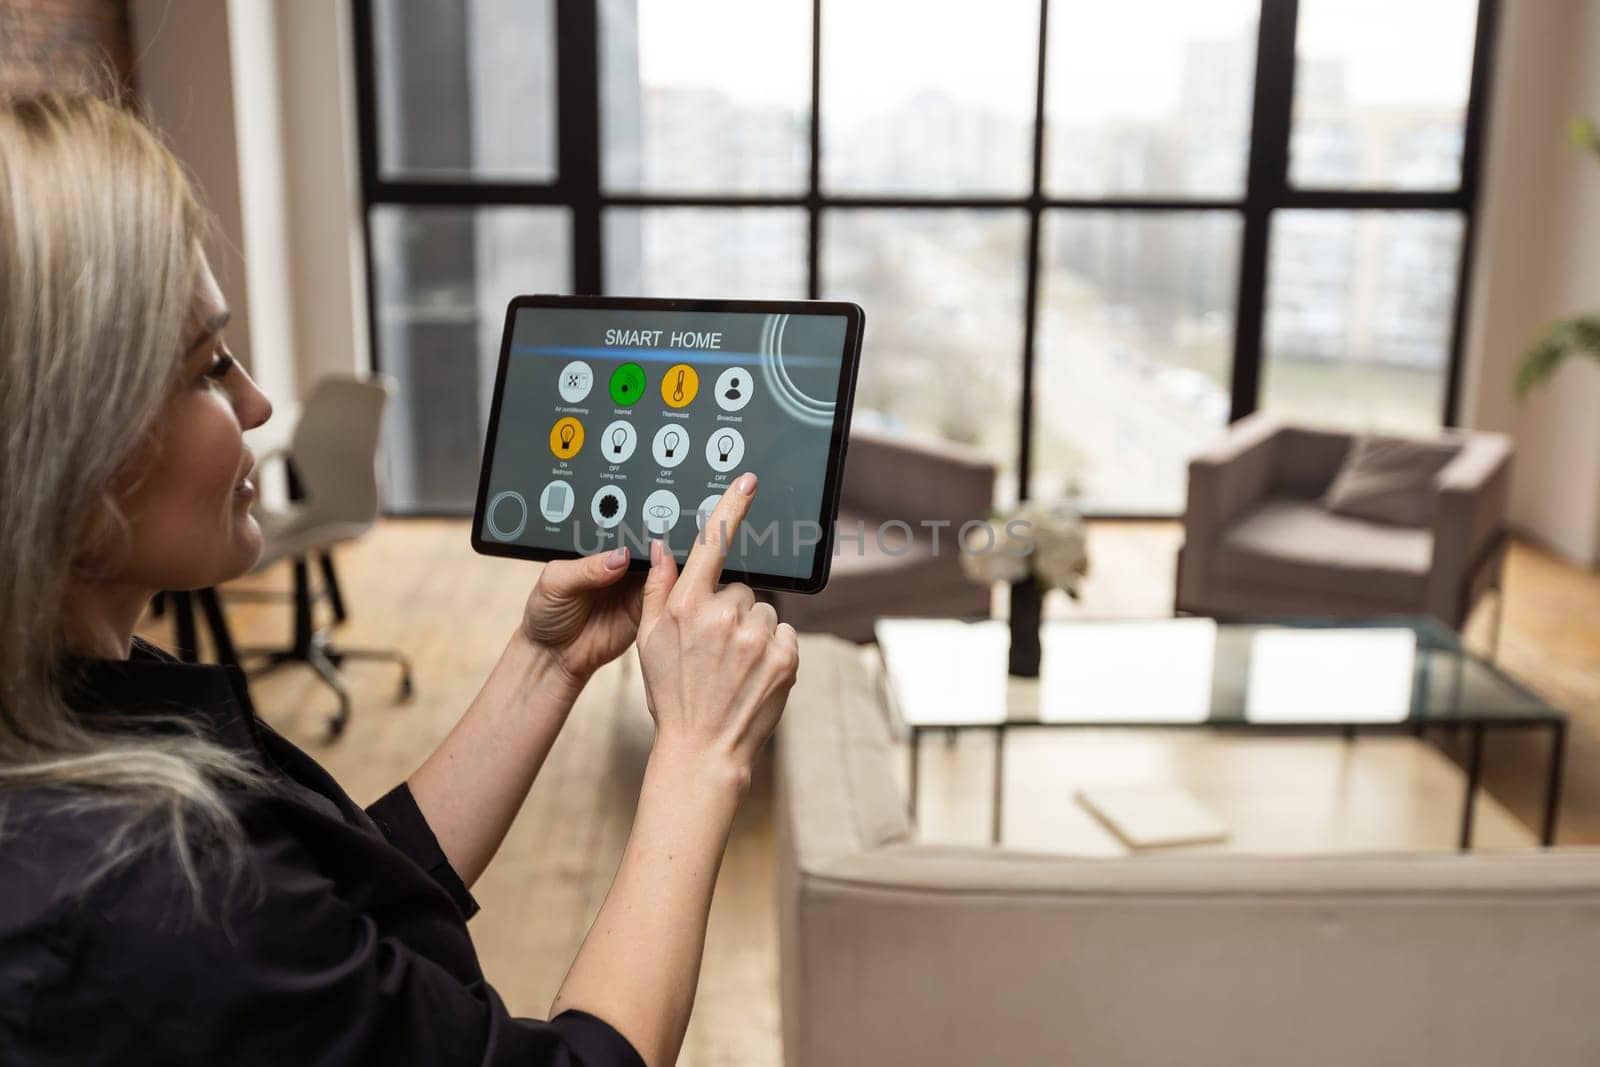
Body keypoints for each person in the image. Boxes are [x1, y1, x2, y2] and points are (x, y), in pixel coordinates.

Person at [0, 93, 799, 1066]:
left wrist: (545, 666)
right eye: (208, 365)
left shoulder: (75, 703)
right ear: (66, 444)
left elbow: (336, 908)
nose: (254, 401)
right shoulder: (146, 886)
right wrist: (700, 753)